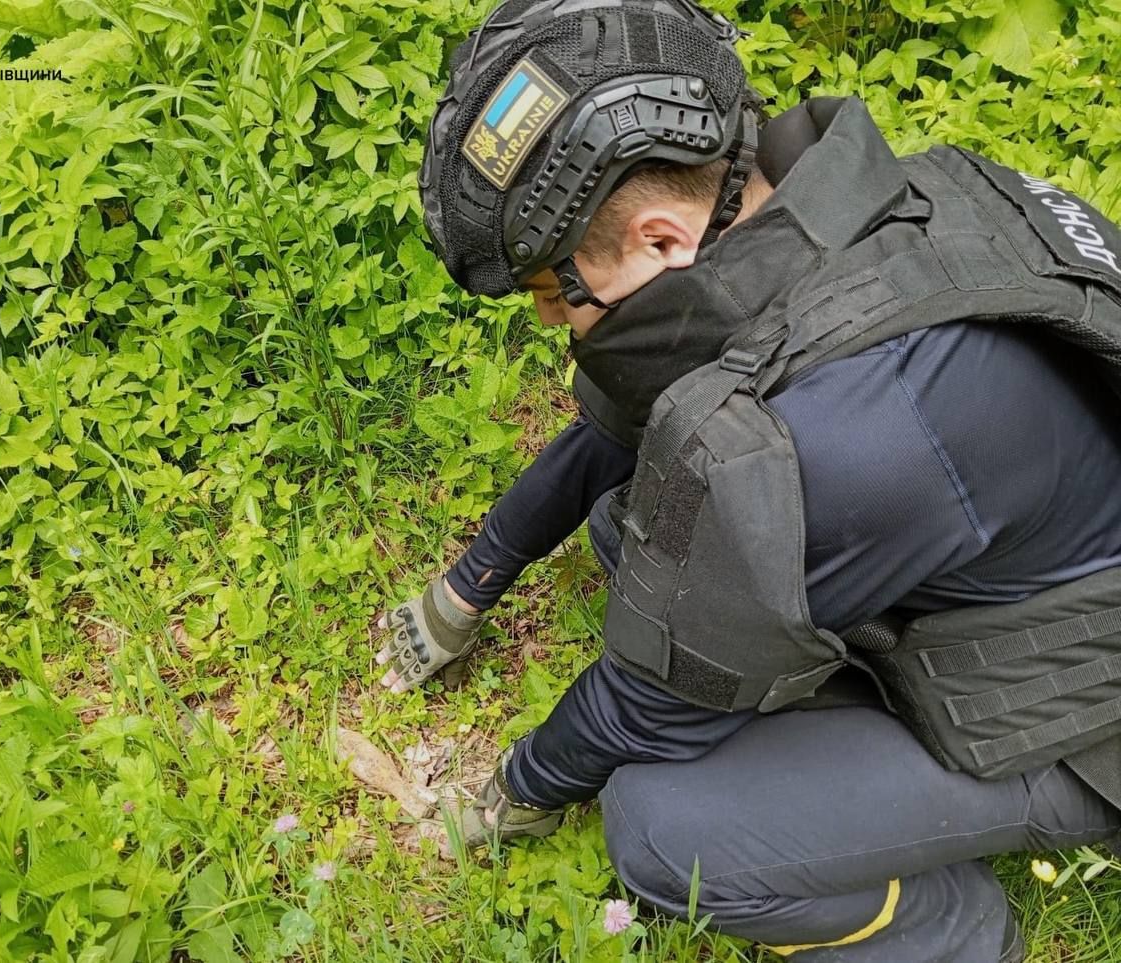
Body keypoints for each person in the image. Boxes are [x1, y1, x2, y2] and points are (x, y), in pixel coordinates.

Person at [383, 1, 1121, 959]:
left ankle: (951, 936)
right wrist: (470, 584)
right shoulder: (847, 205)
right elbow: (628, 417)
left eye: (548, 298)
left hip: (1075, 709)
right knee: (638, 524)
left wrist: (518, 790)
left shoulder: (839, 439)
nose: (554, 327)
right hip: (1024, 539)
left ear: (657, 240)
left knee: (665, 826)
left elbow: (650, 695)